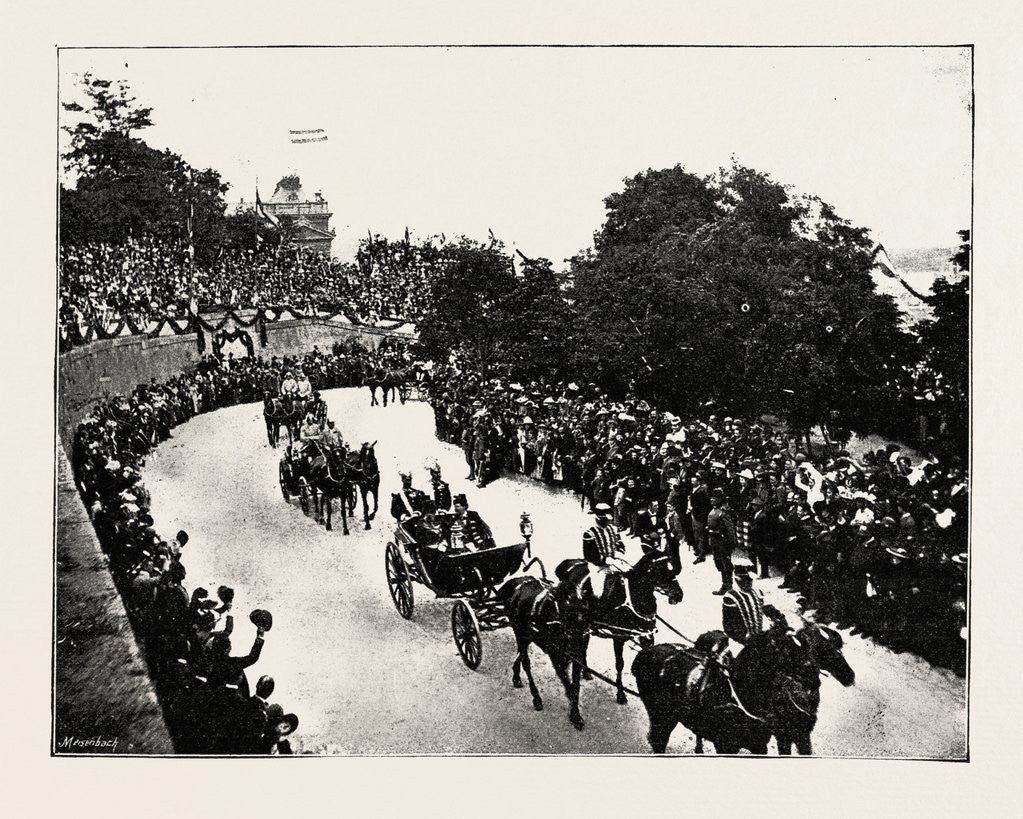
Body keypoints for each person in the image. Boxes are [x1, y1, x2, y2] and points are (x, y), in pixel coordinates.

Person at [721, 563, 783, 644]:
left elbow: (770, 610)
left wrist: (781, 621)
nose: (749, 583)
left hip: (760, 636)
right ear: (737, 580)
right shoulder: (731, 597)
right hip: (744, 641)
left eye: (750, 580)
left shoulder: (758, 592)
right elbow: (729, 625)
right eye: (745, 580)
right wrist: (744, 638)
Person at [706, 490, 737, 595]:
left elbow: (730, 529)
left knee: (726, 565)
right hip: (715, 542)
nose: (711, 500)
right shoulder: (713, 511)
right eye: (711, 498)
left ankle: (728, 586)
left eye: (714, 498)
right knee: (719, 564)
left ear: (719, 500)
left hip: (722, 543)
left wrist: (731, 544)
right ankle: (725, 585)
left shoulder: (723, 513)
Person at [583, 502, 626, 568]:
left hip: (614, 563)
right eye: (605, 520)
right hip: (597, 566)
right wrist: (605, 560)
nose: (607, 522)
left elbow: (620, 543)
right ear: (598, 518)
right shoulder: (589, 533)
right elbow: (588, 555)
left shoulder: (614, 529)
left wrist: (619, 553)